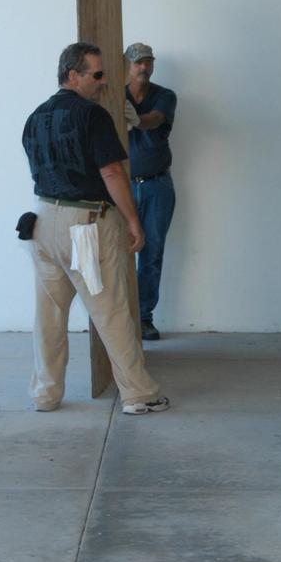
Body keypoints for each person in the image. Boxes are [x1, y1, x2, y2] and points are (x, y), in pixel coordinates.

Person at [22, 42, 169, 415]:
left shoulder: (35, 117)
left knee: (48, 317)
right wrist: (133, 221)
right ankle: (138, 394)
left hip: (42, 221)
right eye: (98, 75)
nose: (105, 82)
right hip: (84, 224)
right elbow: (111, 171)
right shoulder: (93, 115)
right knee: (112, 310)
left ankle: (45, 394)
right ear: (74, 75)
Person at [123, 42, 177, 341]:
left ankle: (144, 317)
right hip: (123, 187)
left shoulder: (164, 96)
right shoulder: (113, 95)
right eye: (137, 63)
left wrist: (135, 119)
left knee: (152, 252)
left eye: (147, 62)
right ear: (127, 66)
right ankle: (121, 317)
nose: (143, 67)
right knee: (118, 253)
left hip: (157, 185)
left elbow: (154, 119)